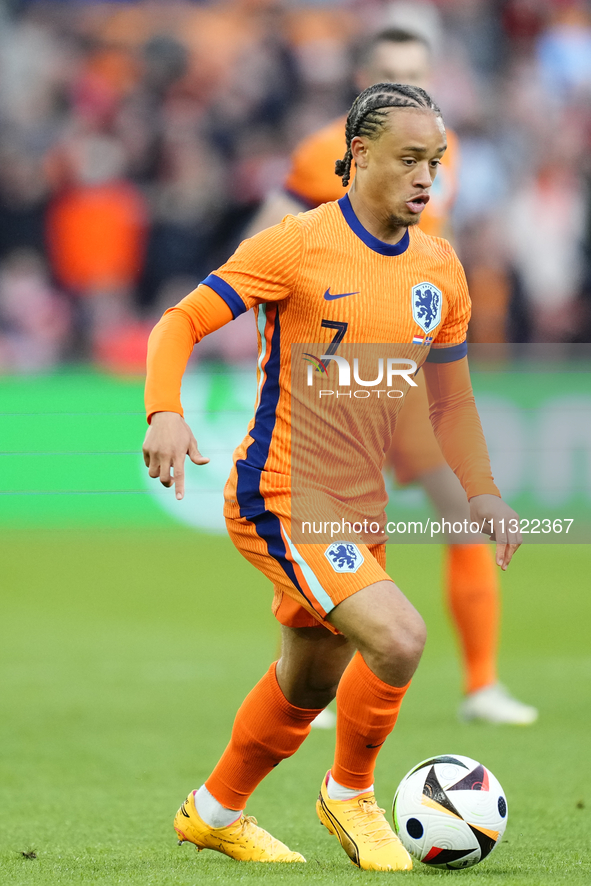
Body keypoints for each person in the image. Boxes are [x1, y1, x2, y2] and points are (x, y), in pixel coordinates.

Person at [143, 82, 521, 870]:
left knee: (307, 681)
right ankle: (350, 794)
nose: (429, 179)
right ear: (357, 160)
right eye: (410, 160)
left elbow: (449, 400)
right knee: (400, 638)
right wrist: (163, 412)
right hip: (281, 494)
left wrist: (480, 489)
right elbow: (179, 321)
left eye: (438, 163)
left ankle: (214, 811)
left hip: (358, 505)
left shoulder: (439, 270)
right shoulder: (295, 246)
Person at [245, 26, 537, 727]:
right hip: (339, 384)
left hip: (410, 380)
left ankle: (480, 684)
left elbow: (442, 249)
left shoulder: (447, 151)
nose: (405, 83)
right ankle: (309, 674)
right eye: (388, 73)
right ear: (361, 82)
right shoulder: (327, 154)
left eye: (416, 73)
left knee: (463, 514)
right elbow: (265, 240)